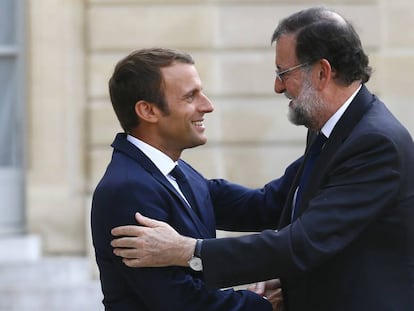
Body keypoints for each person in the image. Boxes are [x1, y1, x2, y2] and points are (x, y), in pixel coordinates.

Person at [110, 7, 414, 311]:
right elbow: (271, 203)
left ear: (322, 73)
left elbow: (302, 243)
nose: (278, 86)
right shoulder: (335, 130)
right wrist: (167, 182)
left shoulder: (374, 143)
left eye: (284, 73)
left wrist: (189, 250)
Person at [90, 48, 284, 310]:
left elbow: (263, 205)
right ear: (148, 111)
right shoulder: (127, 190)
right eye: (190, 96)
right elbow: (181, 302)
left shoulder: (178, 172)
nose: (207, 105)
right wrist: (261, 304)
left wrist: (329, 140)